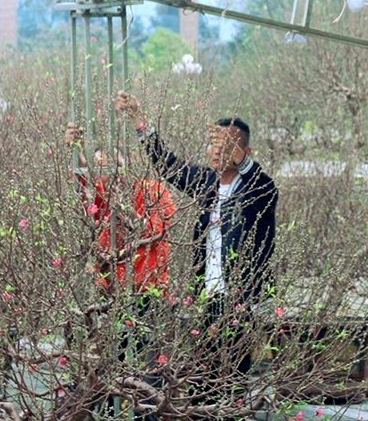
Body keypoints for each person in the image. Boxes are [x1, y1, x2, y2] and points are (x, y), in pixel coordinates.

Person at [114, 91, 278, 380]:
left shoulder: (259, 190)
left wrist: (236, 154)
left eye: (226, 147)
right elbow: (167, 164)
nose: (217, 151)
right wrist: (139, 119)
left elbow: (262, 184)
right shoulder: (206, 182)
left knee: (232, 378)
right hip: (208, 297)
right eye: (214, 145)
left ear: (244, 154)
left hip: (242, 300)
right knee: (203, 376)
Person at [65, 123, 175, 294]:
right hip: (109, 292)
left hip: (148, 291)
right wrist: (76, 152)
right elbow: (81, 189)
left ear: (128, 167)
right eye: (101, 168)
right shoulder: (101, 197)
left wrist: (124, 208)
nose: (112, 174)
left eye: (117, 166)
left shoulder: (154, 191)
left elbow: (155, 232)